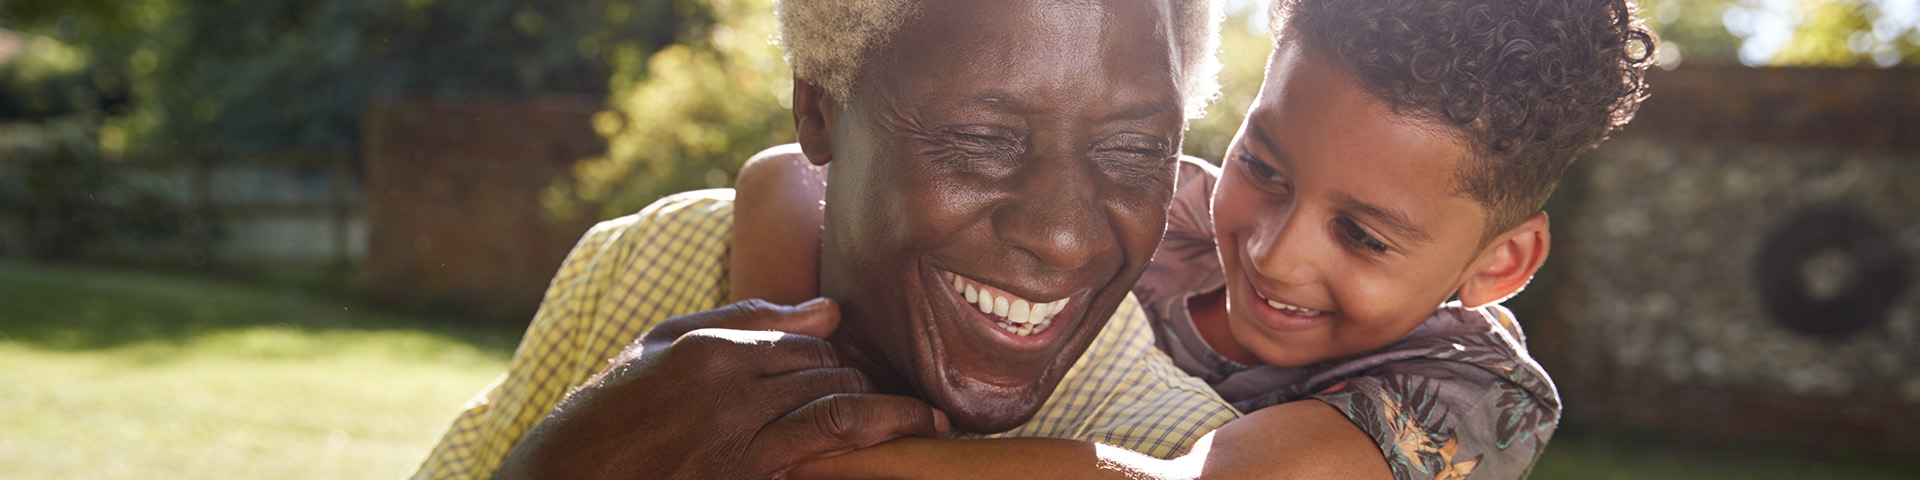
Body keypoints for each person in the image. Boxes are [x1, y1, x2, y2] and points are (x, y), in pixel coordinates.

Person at [732, 0, 1656, 477]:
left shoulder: (1474, 394)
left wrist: (813, 457)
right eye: (1266, 168)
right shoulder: (1156, 207)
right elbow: (786, 176)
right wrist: (771, 383)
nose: (1275, 251)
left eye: (1363, 236)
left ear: (1502, 264)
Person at [410, 1, 1242, 479]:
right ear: (818, 113)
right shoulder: (641, 267)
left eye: (1134, 152)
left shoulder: (1165, 445)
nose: (1064, 238)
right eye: (982, 140)